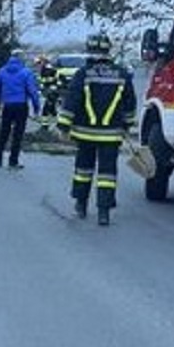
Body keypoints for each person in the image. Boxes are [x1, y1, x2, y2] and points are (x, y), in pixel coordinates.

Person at [57, 32, 137, 226]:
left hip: (84, 133)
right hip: (111, 135)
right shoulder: (122, 74)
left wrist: (63, 126)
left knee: (83, 170)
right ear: (108, 50)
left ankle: (81, 204)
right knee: (107, 174)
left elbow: (72, 100)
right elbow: (130, 103)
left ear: (89, 50)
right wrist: (127, 125)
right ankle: (104, 212)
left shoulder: (83, 74)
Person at [0, 49, 41, 169]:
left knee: (4, 132)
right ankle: (13, 161)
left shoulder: (2, 71)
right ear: (20, 58)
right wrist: (36, 107)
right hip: (21, 105)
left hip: (7, 106)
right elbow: (32, 91)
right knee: (18, 134)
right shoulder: (26, 72)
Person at [35, 55, 59, 123]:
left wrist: (40, 81)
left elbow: (50, 79)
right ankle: (54, 118)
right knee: (51, 106)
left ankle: (45, 121)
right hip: (49, 90)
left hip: (51, 90)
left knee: (47, 105)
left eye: (39, 63)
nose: (38, 65)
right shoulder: (44, 69)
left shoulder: (48, 69)